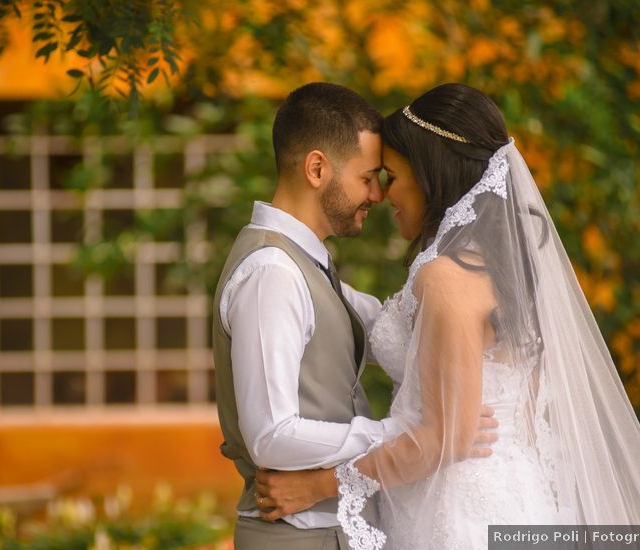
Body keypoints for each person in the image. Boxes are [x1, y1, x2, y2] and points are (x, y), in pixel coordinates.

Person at [254, 83, 640, 549]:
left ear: (430, 176)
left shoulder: (447, 276)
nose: (383, 194)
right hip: (508, 490)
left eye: (393, 176)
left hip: (462, 509)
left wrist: (319, 485)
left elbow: (448, 439)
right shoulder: (496, 266)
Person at [212, 82, 498, 549]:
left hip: (337, 527)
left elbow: (389, 326)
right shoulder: (272, 273)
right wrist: (398, 433)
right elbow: (270, 435)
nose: (378, 195)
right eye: (368, 177)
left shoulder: (307, 267)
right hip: (296, 534)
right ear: (317, 168)